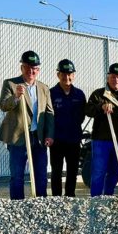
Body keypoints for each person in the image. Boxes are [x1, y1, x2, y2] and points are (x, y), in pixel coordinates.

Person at [0, 50, 54, 200]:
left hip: (38, 137)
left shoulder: (44, 88)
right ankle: (17, 206)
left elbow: (49, 113)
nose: (31, 71)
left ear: (38, 70)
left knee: (41, 175)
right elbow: (3, 105)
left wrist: (49, 134)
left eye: (34, 68)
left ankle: (40, 205)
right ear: (22, 67)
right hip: (18, 138)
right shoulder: (11, 84)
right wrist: (15, 97)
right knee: (17, 176)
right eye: (27, 67)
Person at [85, 63, 118, 196]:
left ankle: (108, 196)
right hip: (101, 141)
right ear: (108, 78)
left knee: (115, 172)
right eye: (113, 77)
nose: (116, 80)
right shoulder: (99, 94)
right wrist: (101, 107)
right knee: (98, 172)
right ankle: (96, 200)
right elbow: (88, 110)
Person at [49, 59, 86, 197]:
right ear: (58, 75)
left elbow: (82, 116)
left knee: (72, 171)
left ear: (74, 75)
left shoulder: (79, 94)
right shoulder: (51, 93)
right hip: (56, 140)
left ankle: (70, 197)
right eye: (63, 74)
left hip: (74, 139)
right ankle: (56, 199)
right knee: (56, 171)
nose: (67, 77)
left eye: (70, 74)